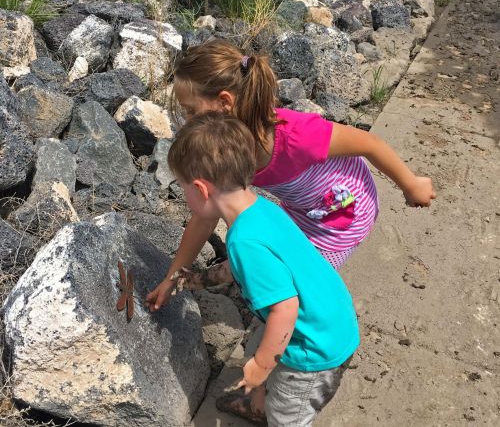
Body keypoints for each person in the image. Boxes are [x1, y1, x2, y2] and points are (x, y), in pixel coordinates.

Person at [146, 39, 436, 303]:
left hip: (345, 211)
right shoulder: (224, 150)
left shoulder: (296, 135)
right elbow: (205, 216)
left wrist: (411, 184)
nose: (186, 122)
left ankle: (319, 341)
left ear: (224, 103)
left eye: (191, 111)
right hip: (303, 209)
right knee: (266, 257)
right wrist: (172, 277)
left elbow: (369, 144)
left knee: (303, 283)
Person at [154, 112, 359, 426]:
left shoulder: (244, 243)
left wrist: (262, 365)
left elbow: (286, 309)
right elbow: (245, 269)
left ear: (201, 189)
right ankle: (258, 403)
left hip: (314, 349)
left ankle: (271, 412)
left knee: (287, 414)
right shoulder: (259, 209)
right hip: (329, 315)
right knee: (256, 342)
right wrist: (196, 279)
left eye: (184, 189)